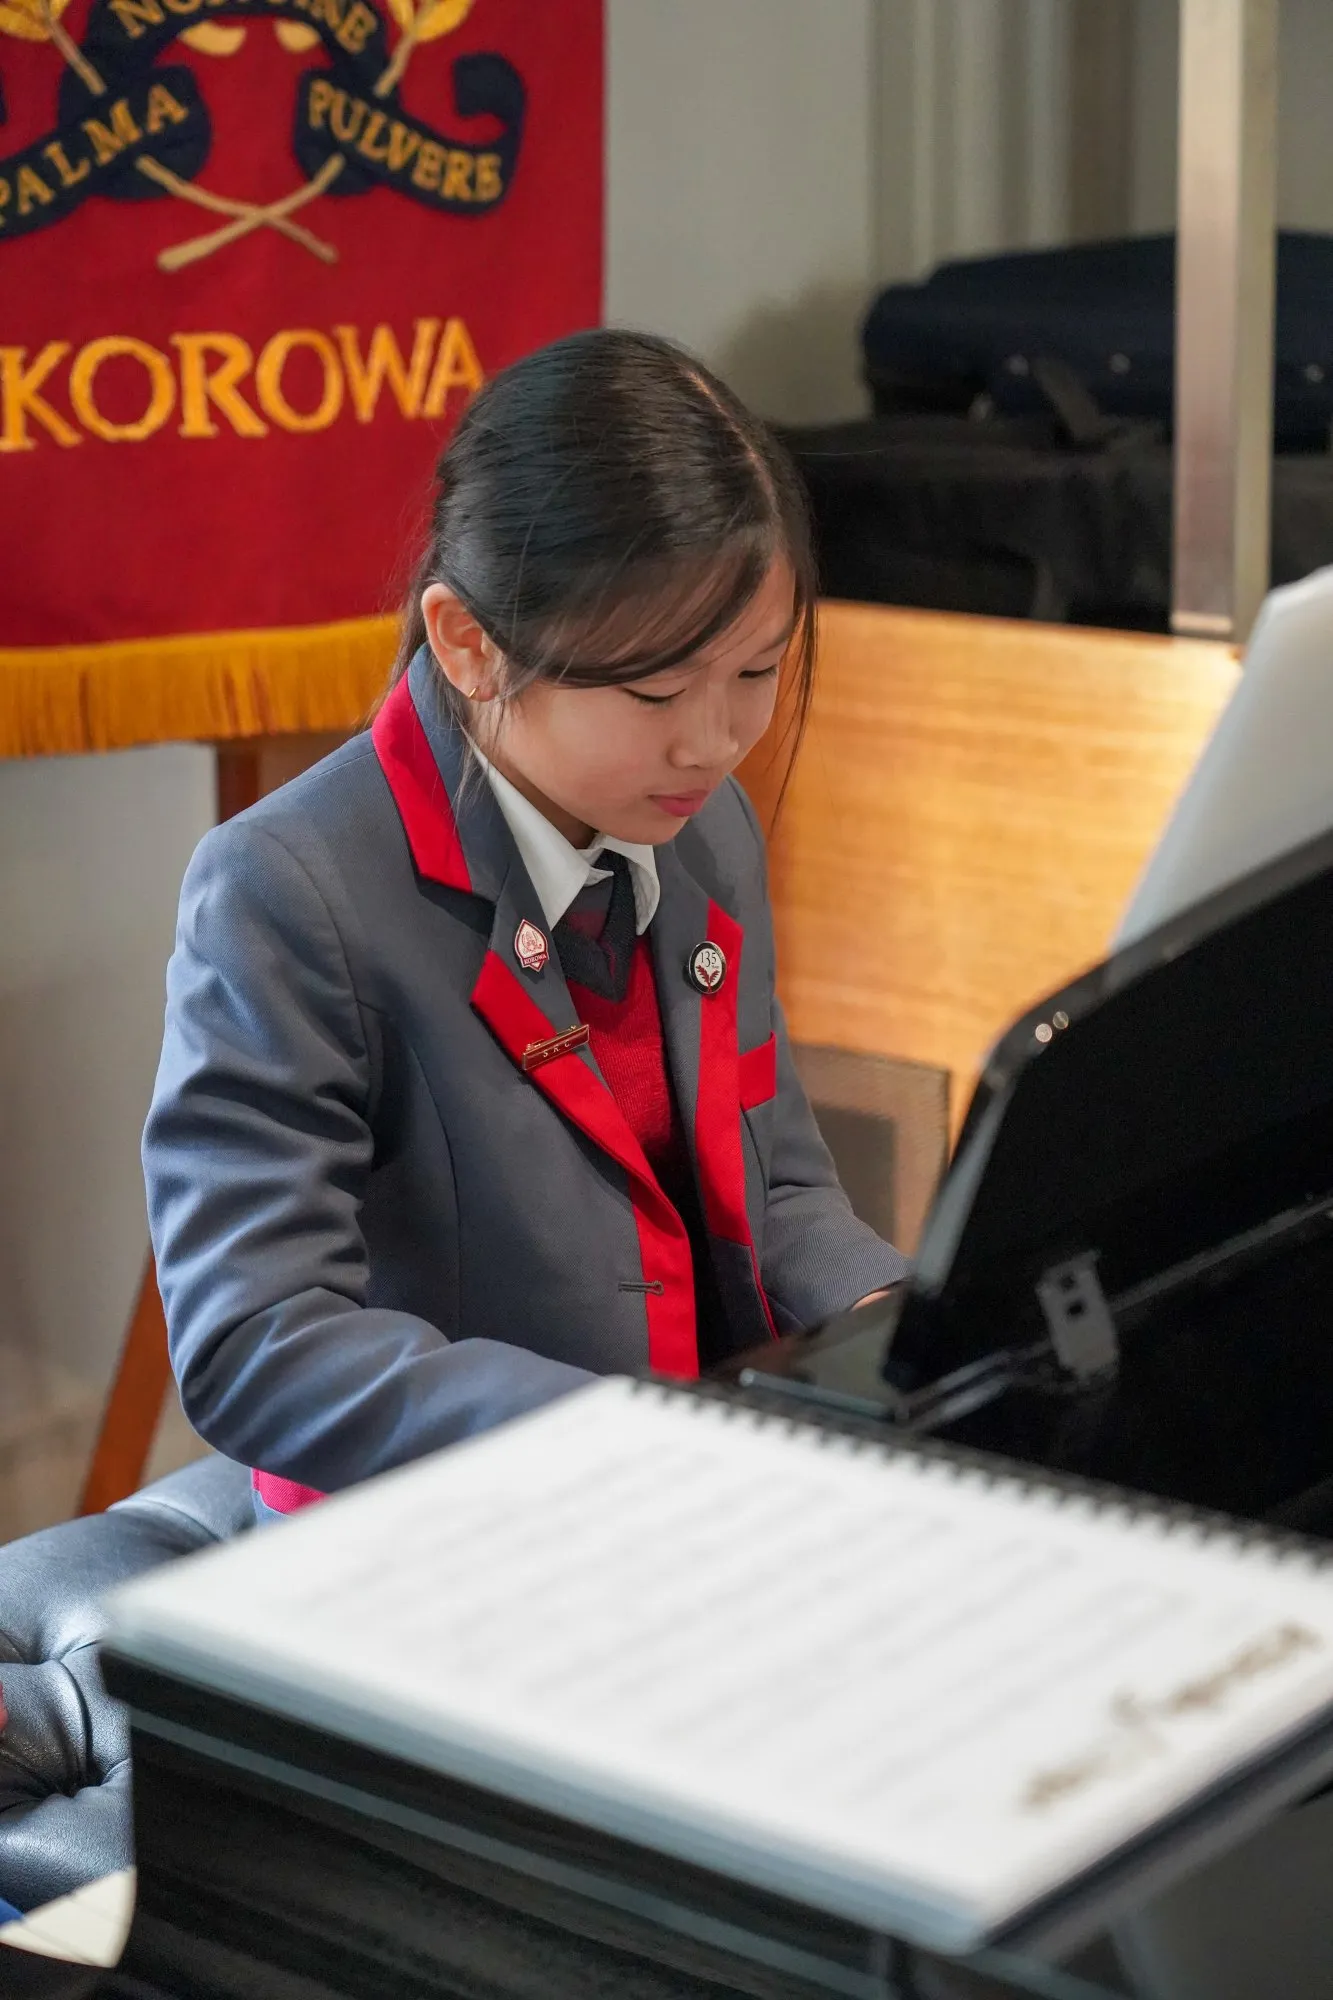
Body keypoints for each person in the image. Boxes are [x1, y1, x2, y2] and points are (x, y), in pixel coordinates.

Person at [142, 329, 908, 1520]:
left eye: (755, 672)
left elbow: (782, 1191)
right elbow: (257, 1339)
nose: (712, 741)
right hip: (450, 1533)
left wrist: (899, 1330)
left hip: (685, 1498)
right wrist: (613, 1438)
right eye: (654, 691)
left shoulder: (703, 829)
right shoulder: (288, 886)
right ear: (467, 642)